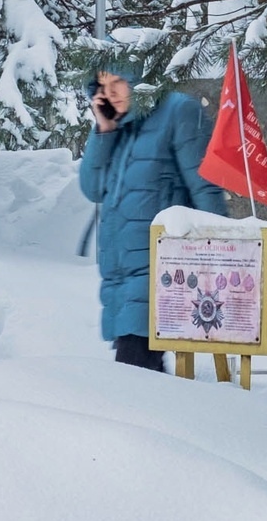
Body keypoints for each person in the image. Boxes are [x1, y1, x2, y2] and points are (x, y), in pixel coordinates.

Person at [78, 62, 228, 371]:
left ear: (137, 77)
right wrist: (103, 130)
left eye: (118, 82)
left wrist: (219, 258)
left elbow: (205, 188)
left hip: (160, 271)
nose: (110, 92)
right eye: (103, 86)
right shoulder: (118, 128)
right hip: (120, 277)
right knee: (142, 379)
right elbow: (92, 188)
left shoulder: (178, 111)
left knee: (134, 378)